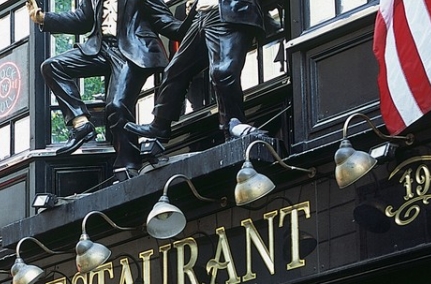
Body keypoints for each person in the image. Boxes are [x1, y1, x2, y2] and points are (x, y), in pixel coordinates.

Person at [26, 0, 186, 178]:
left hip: (132, 49)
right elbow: (83, 20)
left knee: (116, 105)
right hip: (100, 48)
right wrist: (44, 18)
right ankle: (81, 125)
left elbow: (163, 19)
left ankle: (129, 163)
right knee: (51, 66)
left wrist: (194, 19)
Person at [126, 0, 267, 142]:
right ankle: (160, 125)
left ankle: (233, 124)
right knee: (175, 69)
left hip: (227, 11)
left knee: (222, 71)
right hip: (201, 16)